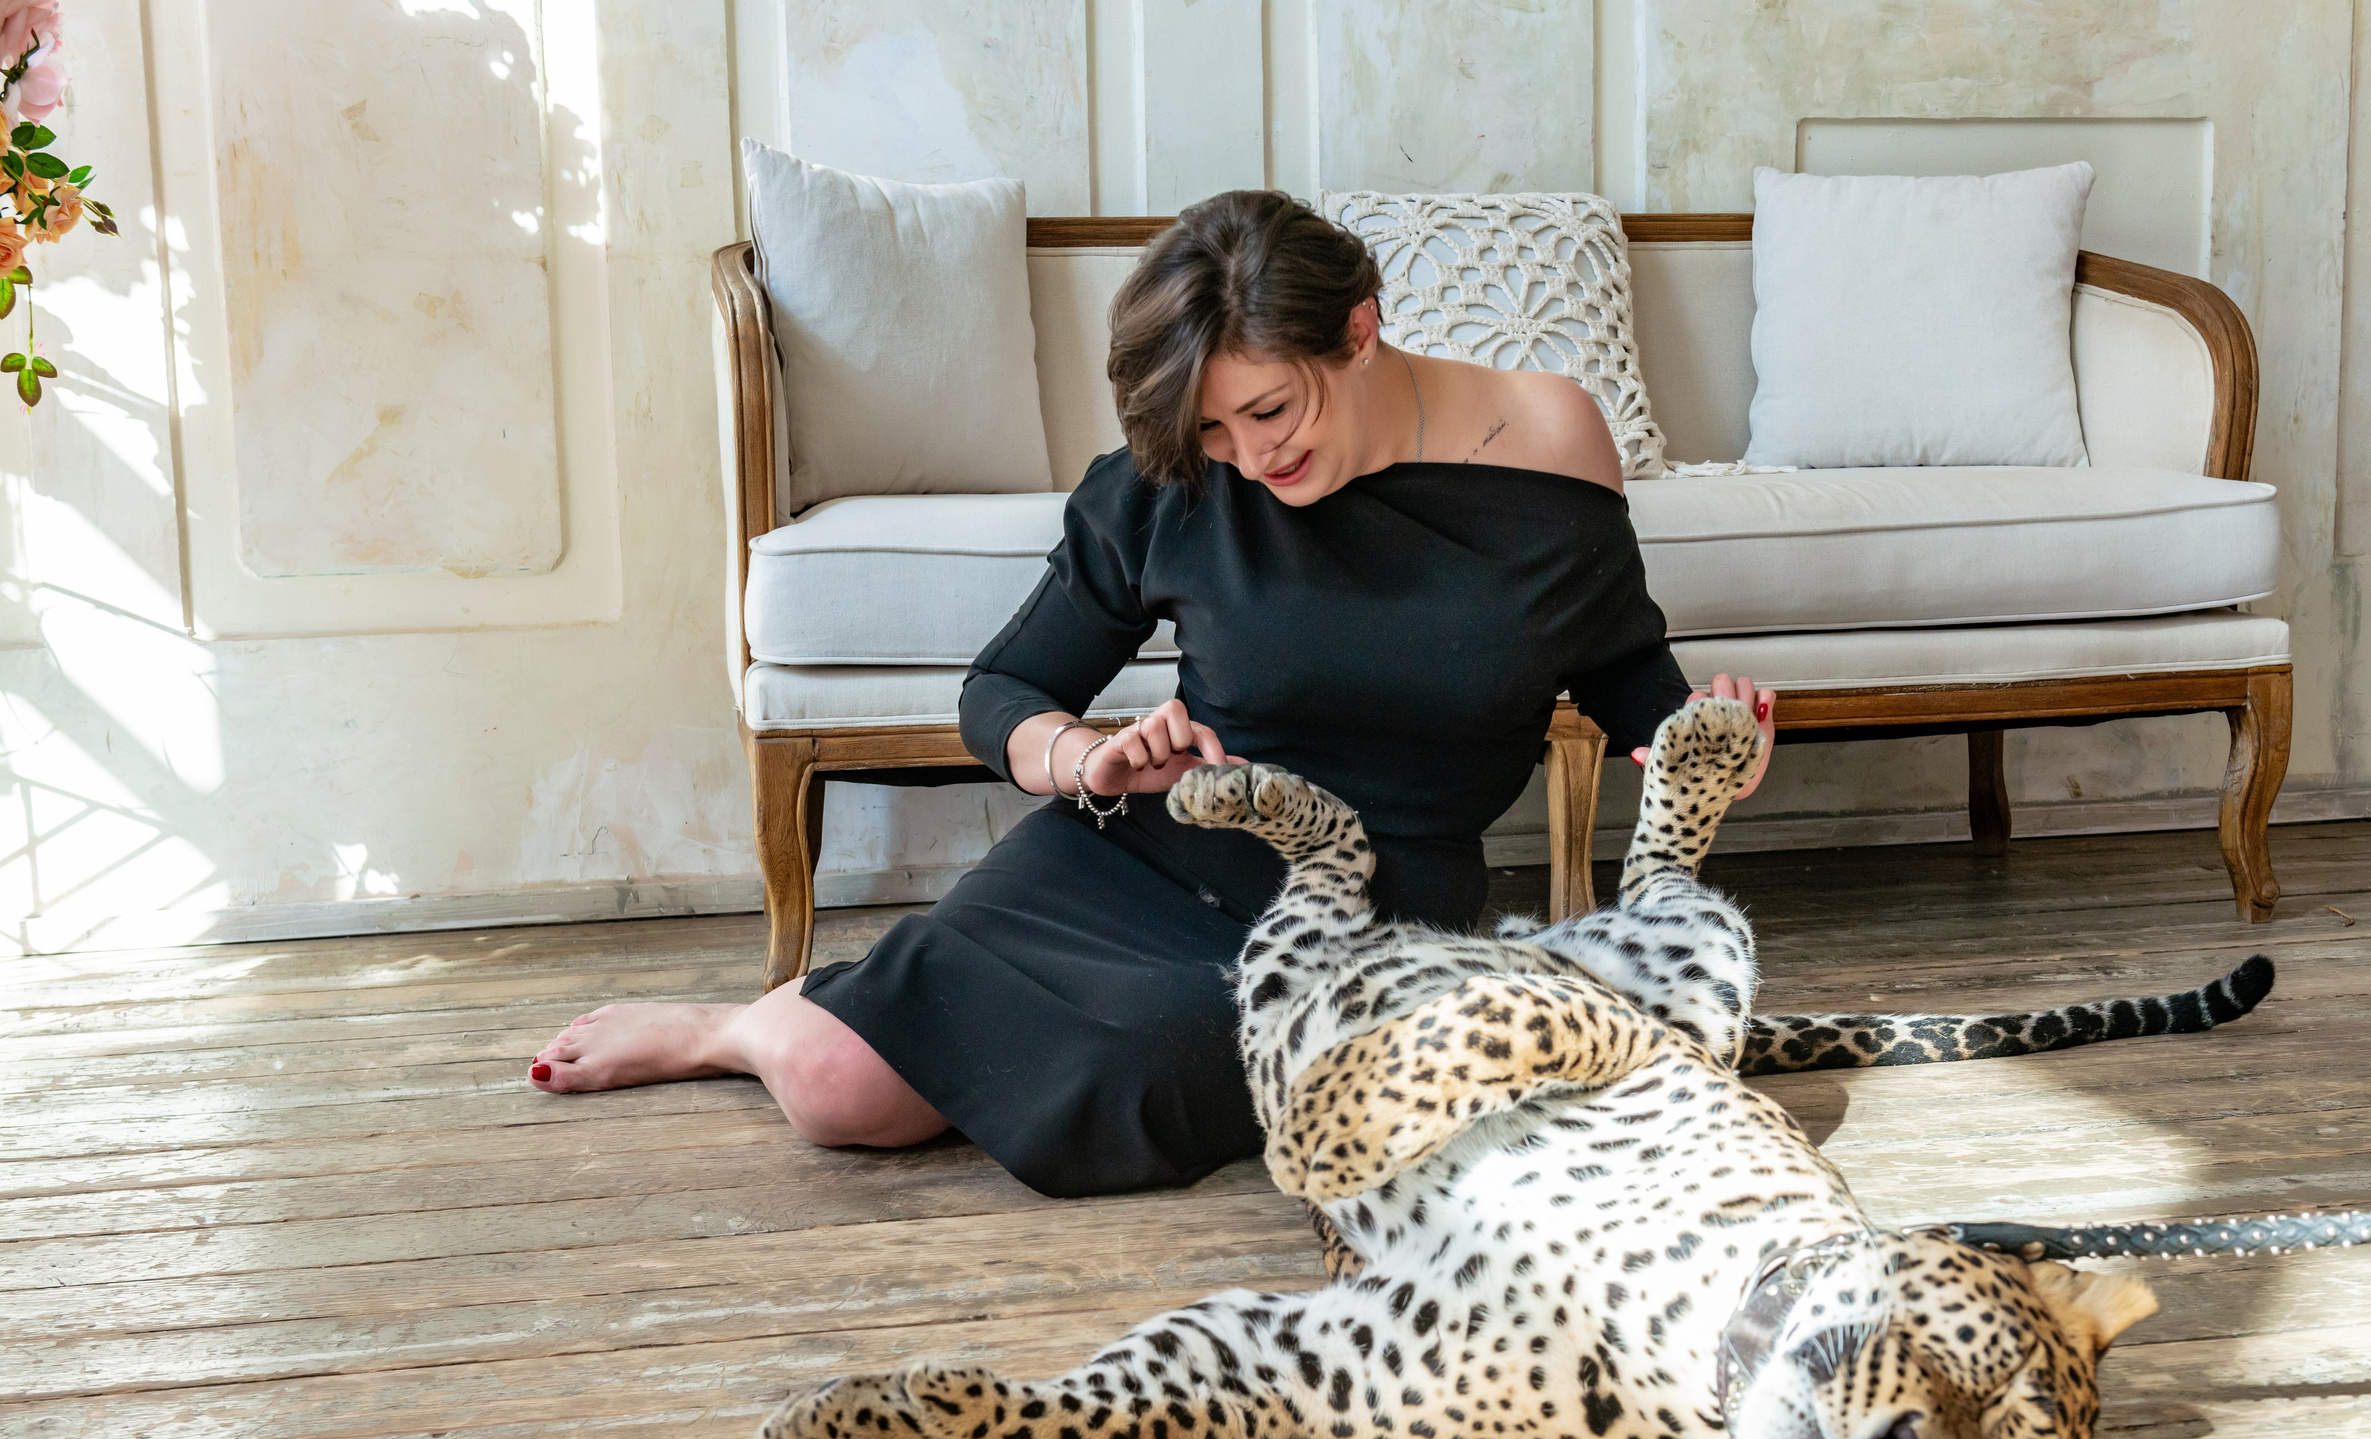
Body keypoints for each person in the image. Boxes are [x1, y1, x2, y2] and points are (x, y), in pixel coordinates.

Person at [527, 189, 1775, 1197]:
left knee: (1130, 1086)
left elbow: (1622, 671)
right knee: (836, 1089)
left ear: (1358, 328)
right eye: (1214, 433)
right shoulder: (1178, 475)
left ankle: (841, 1007)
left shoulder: (1549, 436)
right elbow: (1004, 687)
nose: (1250, 456)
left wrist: (1700, 745)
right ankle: (735, 1025)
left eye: (1269, 410)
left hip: (1365, 911)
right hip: (1138, 855)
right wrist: (1086, 758)